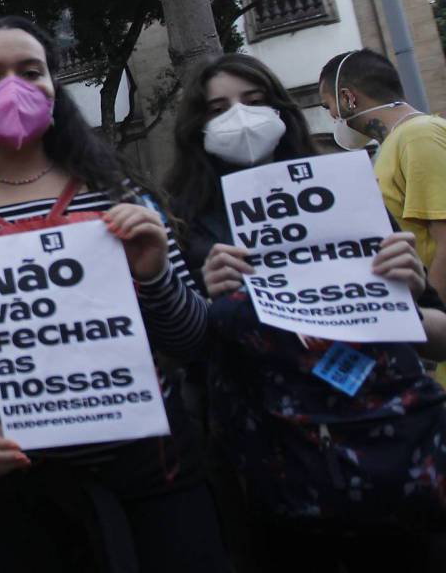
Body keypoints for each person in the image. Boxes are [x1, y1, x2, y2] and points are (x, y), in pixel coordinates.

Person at [0, 16, 227, 571]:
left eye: (30, 71)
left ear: (53, 85)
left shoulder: (123, 197)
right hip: (12, 496)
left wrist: (154, 275)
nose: (12, 87)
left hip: (154, 476)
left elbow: (194, 342)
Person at [171, 53, 446, 570]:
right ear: (197, 125)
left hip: (398, 468)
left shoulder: (351, 197)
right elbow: (181, 353)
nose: (240, 117)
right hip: (275, 489)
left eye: (253, 102)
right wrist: (205, 303)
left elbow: (439, 337)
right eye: (219, 108)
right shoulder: (184, 227)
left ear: (281, 109)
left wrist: (407, 291)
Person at [318, 49, 446, 301]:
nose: (332, 115)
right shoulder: (399, 142)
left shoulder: (418, 136)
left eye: (327, 105)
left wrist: (434, 316)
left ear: (347, 98)